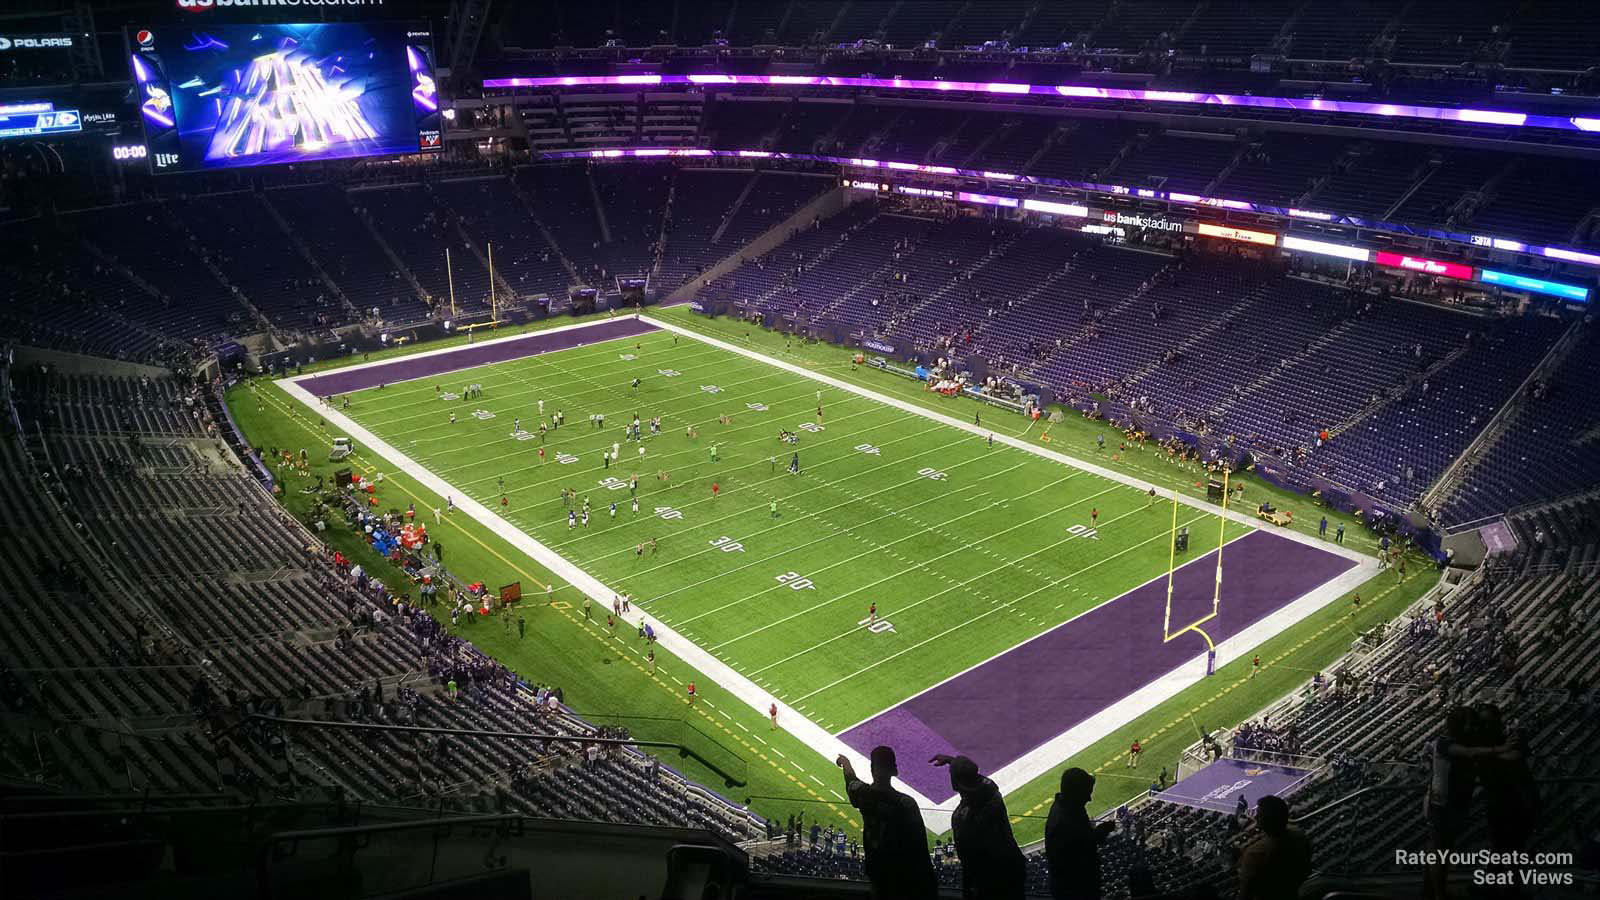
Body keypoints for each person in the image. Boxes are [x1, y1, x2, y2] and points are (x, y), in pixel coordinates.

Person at [837, 748, 938, 900]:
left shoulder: (863, 794)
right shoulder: (905, 804)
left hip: (877, 872)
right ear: (895, 771)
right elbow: (919, 846)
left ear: (872, 769)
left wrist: (846, 763)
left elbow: (851, 781)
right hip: (904, 876)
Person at [934, 754, 1026, 899]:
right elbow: (980, 781)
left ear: (955, 784)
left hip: (986, 879)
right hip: (1011, 865)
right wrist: (954, 763)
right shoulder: (992, 794)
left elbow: (968, 859)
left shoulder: (962, 818)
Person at [1045, 767, 1114, 900]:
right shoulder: (1065, 821)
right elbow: (1083, 845)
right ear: (1075, 793)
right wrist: (1102, 830)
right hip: (1076, 890)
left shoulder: (1069, 808)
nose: (1089, 799)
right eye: (1086, 793)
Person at [1237, 795, 1312, 900]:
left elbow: (1245, 892)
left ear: (1267, 820)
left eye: (1259, 814)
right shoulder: (1299, 835)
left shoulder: (1255, 853)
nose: (1256, 817)